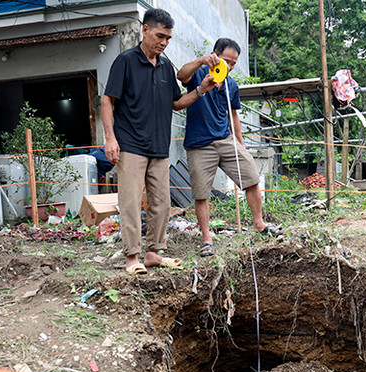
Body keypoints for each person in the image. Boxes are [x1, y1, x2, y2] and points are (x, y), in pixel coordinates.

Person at [102, 8, 217, 275]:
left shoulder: (166, 66)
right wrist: (110, 138)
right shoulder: (126, 61)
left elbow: (176, 104)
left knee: (161, 203)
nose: (164, 42)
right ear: (145, 30)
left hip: (159, 146)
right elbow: (108, 100)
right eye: (160, 35)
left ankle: (153, 253)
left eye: (168, 38)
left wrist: (201, 89)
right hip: (130, 145)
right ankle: (132, 256)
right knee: (130, 202)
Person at [177, 38, 283, 257]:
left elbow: (233, 115)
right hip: (199, 144)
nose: (230, 66)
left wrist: (240, 143)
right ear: (214, 55)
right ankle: (206, 238)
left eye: (234, 63)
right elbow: (181, 75)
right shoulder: (198, 74)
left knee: (251, 177)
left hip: (226, 140)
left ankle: (259, 223)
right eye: (227, 61)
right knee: (201, 193)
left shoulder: (231, 84)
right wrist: (201, 61)